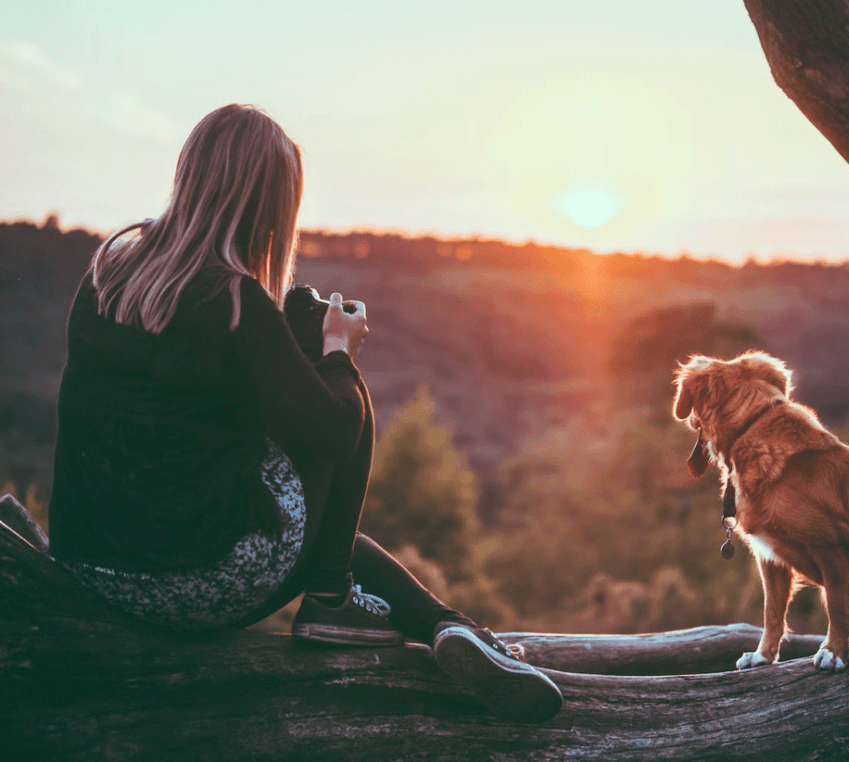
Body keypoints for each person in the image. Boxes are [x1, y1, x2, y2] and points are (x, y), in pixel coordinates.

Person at [47, 103, 562, 724]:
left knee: (335, 545)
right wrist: (337, 351)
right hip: (197, 588)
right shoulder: (236, 299)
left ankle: (446, 626)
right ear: (268, 204)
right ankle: (337, 601)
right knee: (348, 404)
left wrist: (281, 335)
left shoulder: (107, 273)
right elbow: (330, 433)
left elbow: (185, 386)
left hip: (87, 568)